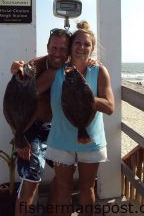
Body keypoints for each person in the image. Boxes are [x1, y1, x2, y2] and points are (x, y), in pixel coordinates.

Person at [36, 21, 115, 216]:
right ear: (71, 47)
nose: (81, 47)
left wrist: (85, 97)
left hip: (91, 139)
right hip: (61, 140)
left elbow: (110, 107)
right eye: (77, 43)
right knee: (63, 189)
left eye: (86, 44)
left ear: (92, 48)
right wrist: (20, 69)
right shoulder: (56, 72)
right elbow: (32, 90)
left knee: (87, 189)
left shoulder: (99, 71)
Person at [10, 28, 71, 216]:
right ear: (47, 47)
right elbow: (14, 103)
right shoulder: (34, 66)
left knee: (64, 177)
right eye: (54, 48)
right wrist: (19, 138)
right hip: (32, 129)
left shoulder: (73, 66)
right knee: (31, 180)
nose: (58, 53)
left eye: (63, 49)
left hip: (57, 129)